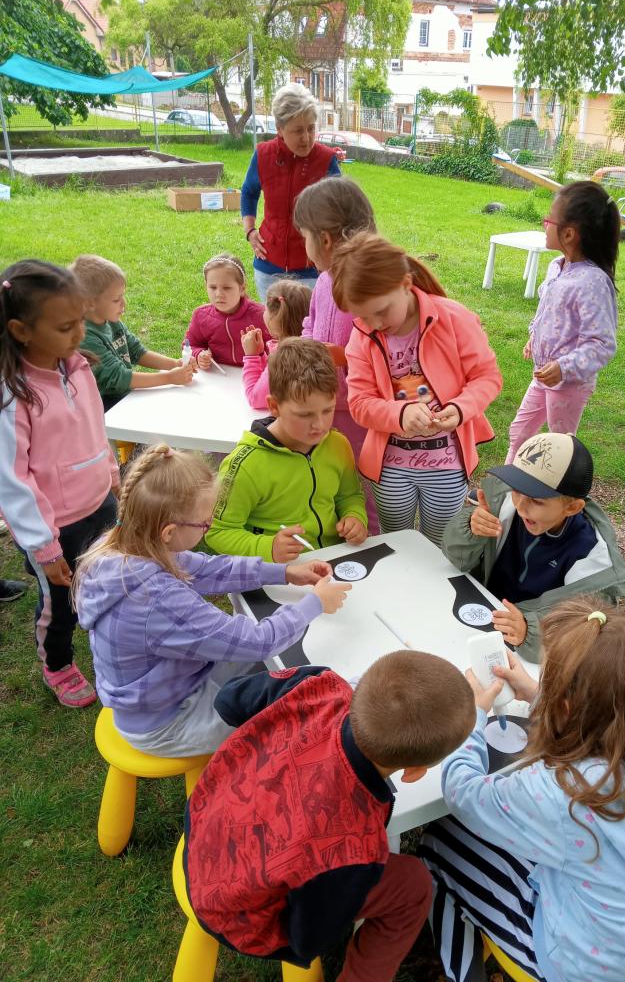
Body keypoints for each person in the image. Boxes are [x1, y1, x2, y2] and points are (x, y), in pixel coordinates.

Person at [420, 597, 625, 982]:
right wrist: (537, 695)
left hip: (576, 964)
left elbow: (463, 795)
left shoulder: (567, 793)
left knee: (440, 840)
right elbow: (607, 719)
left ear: (567, 708)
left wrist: (472, 715)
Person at [184, 650, 477, 978]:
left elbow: (228, 700)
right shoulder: (354, 849)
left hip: (205, 821)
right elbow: (309, 939)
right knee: (415, 886)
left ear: (361, 687)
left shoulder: (318, 685)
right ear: (415, 772)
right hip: (236, 916)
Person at [75, 444, 350, 756]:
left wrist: (285, 573)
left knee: (274, 668)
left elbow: (209, 569)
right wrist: (315, 602)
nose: (208, 528)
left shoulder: (125, 545)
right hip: (168, 723)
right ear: (169, 532)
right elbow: (258, 641)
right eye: (204, 523)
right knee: (294, 717)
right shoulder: (155, 599)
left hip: (167, 689)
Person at [332, 232, 502, 547]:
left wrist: (460, 409)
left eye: (382, 311)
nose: (374, 323)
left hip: (447, 464)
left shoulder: (454, 318)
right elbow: (360, 403)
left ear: (406, 284)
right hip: (390, 468)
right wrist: (401, 414)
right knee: (396, 543)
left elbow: (487, 376)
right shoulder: (362, 336)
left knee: (440, 544)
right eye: (363, 316)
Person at [0, 261, 119, 707]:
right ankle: (58, 663)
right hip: (55, 528)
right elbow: (12, 480)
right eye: (66, 327)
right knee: (61, 600)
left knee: (100, 577)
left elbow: (93, 425)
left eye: (81, 321)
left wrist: (111, 473)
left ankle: (102, 627)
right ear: (21, 330)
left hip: (99, 502)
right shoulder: (13, 396)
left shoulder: (77, 365)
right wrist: (45, 548)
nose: (79, 334)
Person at [442, 432, 625, 662]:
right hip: (477, 613)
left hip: (524, 651)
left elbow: (582, 628)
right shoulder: (501, 506)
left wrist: (530, 631)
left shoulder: (590, 555)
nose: (521, 506)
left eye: (537, 500)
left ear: (572, 508)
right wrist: (472, 529)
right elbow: (456, 557)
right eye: (517, 490)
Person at [206, 338, 367, 562]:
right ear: (274, 406)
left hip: (335, 563)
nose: (320, 425)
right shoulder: (246, 465)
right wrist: (268, 547)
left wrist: (355, 516)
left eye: (327, 410)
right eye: (305, 414)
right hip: (277, 571)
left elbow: (349, 496)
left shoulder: (338, 445)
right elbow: (218, 532)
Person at [506, 180, 620, 463]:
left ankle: (557, 489)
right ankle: (509, 482)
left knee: (559, 445)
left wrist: (564, 367)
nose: (544, 225)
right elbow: (550, 313)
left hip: (569, 383)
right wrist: (534, 337)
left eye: (548, 221)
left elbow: (602, 344)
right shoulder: (556, 267)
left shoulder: (592, 282)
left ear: (569, 234)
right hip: (543, 374)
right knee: (519, 432)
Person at [293, 175, 380, 533]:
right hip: (326, 407)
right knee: (330, 480)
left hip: (361, 415)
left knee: (365, 488)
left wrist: (341, 357)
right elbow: (311, 323)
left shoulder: (370, 286)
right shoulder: (325, 280)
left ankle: (372, 542)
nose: (305, 247)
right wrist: (303, 346)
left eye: (304, 236)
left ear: (325, 239)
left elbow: (390, 355)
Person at [241, 82, 341, 299]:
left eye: (311, 128)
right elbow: (249, 192)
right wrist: (250, 231)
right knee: (273, 321)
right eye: (298, 130)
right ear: (279, 128)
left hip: (313, 271)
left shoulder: (326, 160)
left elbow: (343, 212)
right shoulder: (263, 155)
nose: (306, 138)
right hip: (268, 267)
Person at [71, 254, 195, 411]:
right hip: (106, 409)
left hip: (125, 398)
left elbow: (137, 352)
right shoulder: (85, 337)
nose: (124, 303)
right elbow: (119, 378)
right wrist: (169, 377)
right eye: (116, 299)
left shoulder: (111, 321)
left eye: (123, 296)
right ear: (90, 303)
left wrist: (175, 364)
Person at [185, 253, 271, 369]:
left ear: (242, 288)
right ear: (206, 286)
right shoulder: (201, 316)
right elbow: (190, 345)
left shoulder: (262, 315)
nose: (219, 294)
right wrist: (199, 354)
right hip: (218, 376)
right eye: (213, 287)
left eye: (227, 288)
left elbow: (279, 348)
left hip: (256, 373)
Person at [240, 278, 312, 409]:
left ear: (273, 316)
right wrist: (261, 354)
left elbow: (255, 398)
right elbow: (270, 382)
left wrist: (252, 357)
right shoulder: (309, 346)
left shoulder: (284, 357)